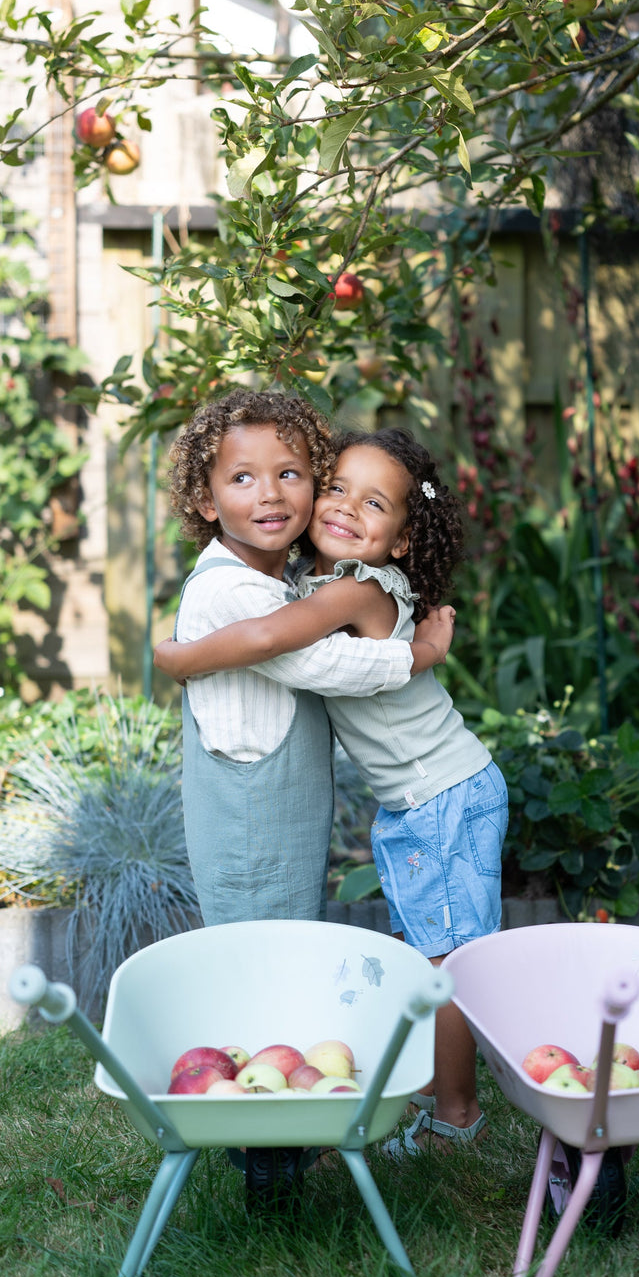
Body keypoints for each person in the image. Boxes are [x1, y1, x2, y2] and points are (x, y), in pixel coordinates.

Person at [156, 427, 506, 1154]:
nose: (345, 507)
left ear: (402, 542)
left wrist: (180, 656)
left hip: (443, 798)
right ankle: (441, 1102)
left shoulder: (356, 588)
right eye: (338, 487)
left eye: (373, 502)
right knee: (431, 953)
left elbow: (269, 638)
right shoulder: (324, 580)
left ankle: (458, 1115)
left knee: (444, 963)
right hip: (423, 801)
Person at [164, 392, 455, 930]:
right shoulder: (232, 586)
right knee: (263, 955)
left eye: (290, 474)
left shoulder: (289, 581)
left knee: (289, 947)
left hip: (286, 808)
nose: (270, 494)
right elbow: (317, 661)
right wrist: (418, 656)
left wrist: (181, 658)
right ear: (208, 502)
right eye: (243, 479)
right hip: (251, 818)